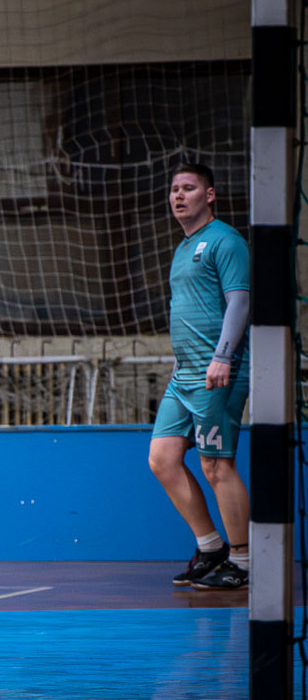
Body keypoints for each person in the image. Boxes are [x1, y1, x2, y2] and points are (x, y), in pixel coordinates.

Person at [147, 162, 251, 590]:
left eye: (188, 188)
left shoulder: (226, 241)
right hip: (184, 374)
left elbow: (239, 302)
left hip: (218, 371)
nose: (178, 195)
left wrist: (222, 356)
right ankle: (211, 547)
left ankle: (242, 561)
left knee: (216, 466)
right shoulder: (182, 248)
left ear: (209, 195)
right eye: (174, 189)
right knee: (162, 459)